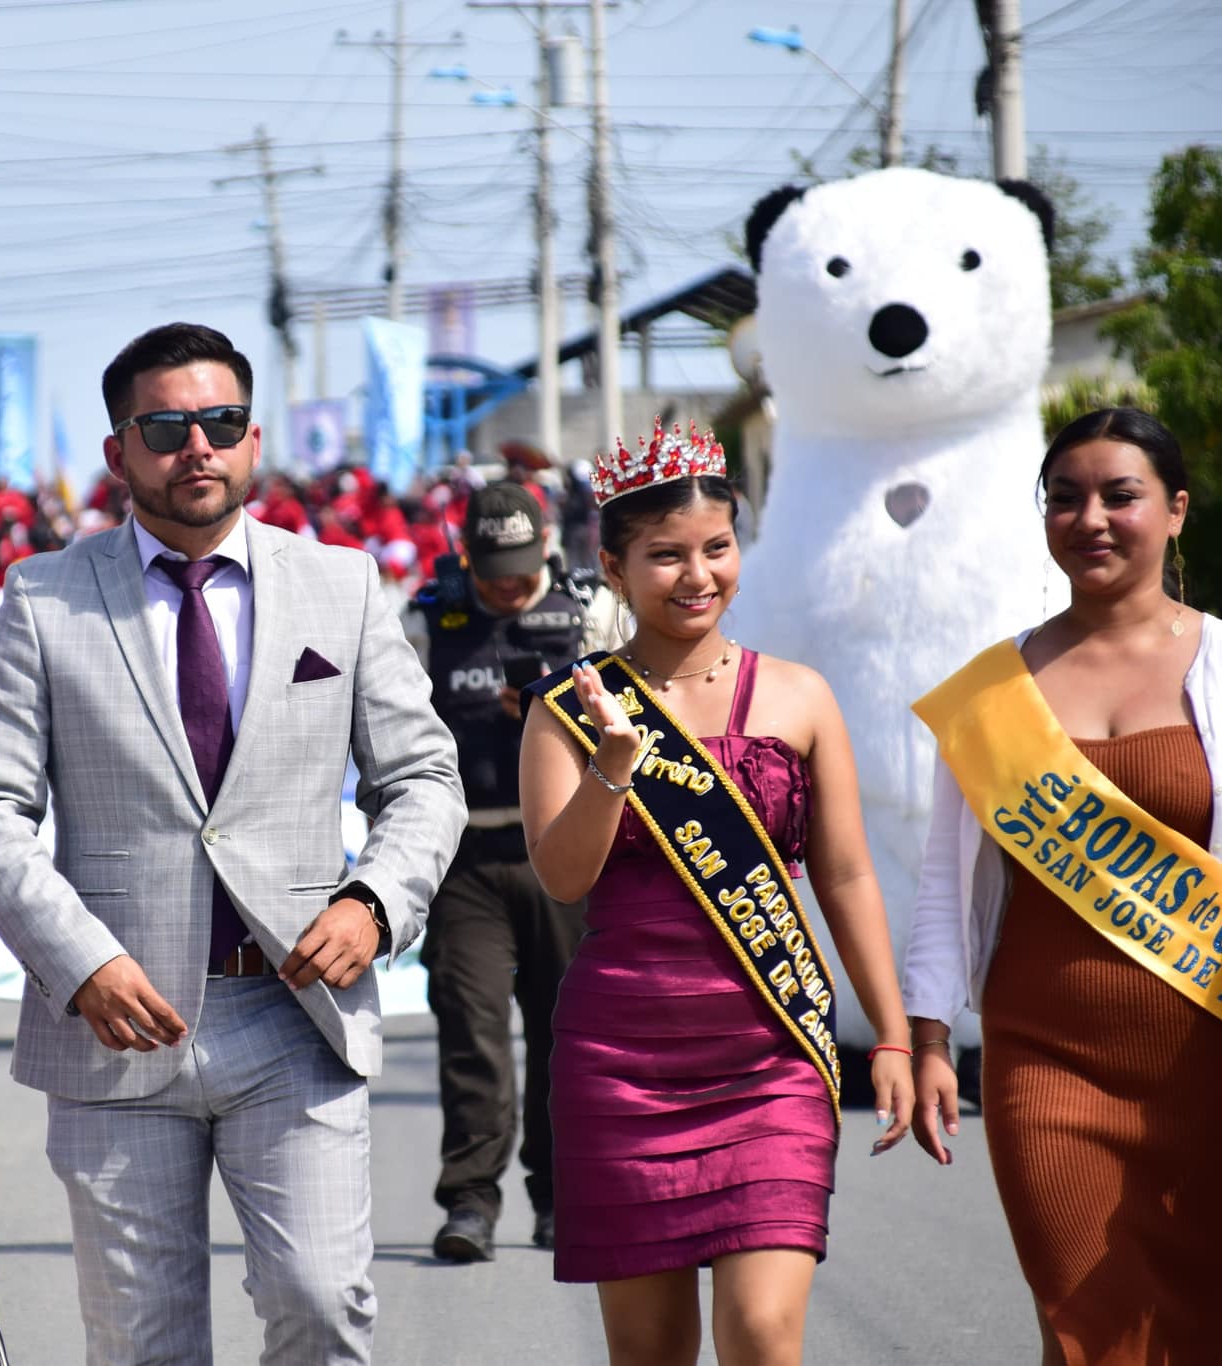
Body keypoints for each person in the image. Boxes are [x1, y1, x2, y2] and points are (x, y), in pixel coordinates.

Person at [0, 322, 465, 1365]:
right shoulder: (43, 597)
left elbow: (422, 779)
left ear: (252, 439)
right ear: (118, 452)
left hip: (295, 1010)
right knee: (144, 1342)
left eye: (221, 423)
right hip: (118, 1021)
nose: (197, 446)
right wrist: (80, 961)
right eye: (165, 427)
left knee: (323, 1306)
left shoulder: (341, 584)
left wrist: (373, 903)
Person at [519, 420, 915, 1365]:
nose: (697, 575)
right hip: (620, 1061)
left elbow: (846, 874)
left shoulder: (799, 696)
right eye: (666, 556)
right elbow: (562, 877)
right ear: (612, 568)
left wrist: (896, 1034)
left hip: (770, 1053)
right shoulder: (569, 709)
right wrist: (614, 768)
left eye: (717, 547)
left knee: (763, 1332)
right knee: (650, 1350)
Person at [904, 408, 1220, 1365]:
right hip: (1045, 1061)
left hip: (1202, 1058)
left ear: (1176, 509)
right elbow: (943, 881)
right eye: (1064, 499)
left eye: (1120, 496)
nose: (1090, 519)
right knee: (1087, 1328)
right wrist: (927, 1037)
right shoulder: (991, 691)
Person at [404, 480, 614, 1262]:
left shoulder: (591, 613)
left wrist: (555, 721)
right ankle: (470, 1201)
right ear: (466, 556)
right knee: (472, 1029)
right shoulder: (426, 621)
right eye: (492, 571)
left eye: (522, 568)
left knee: (566, 1032)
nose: (507, 585)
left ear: (547, 549)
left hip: (566, 852)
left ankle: (562, 1199)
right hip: (465, 858)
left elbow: (644, 724)